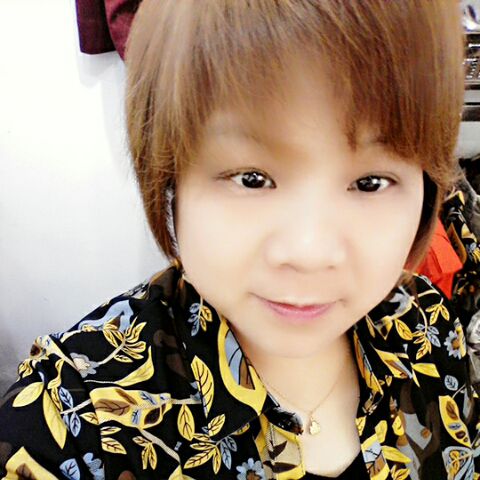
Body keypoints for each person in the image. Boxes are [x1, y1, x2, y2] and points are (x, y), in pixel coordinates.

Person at [1, 1, 479, 479]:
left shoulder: (427, 330)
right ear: (170, 176)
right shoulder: (74, 418)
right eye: (251, 179)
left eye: (370, 183)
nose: (309, 253)